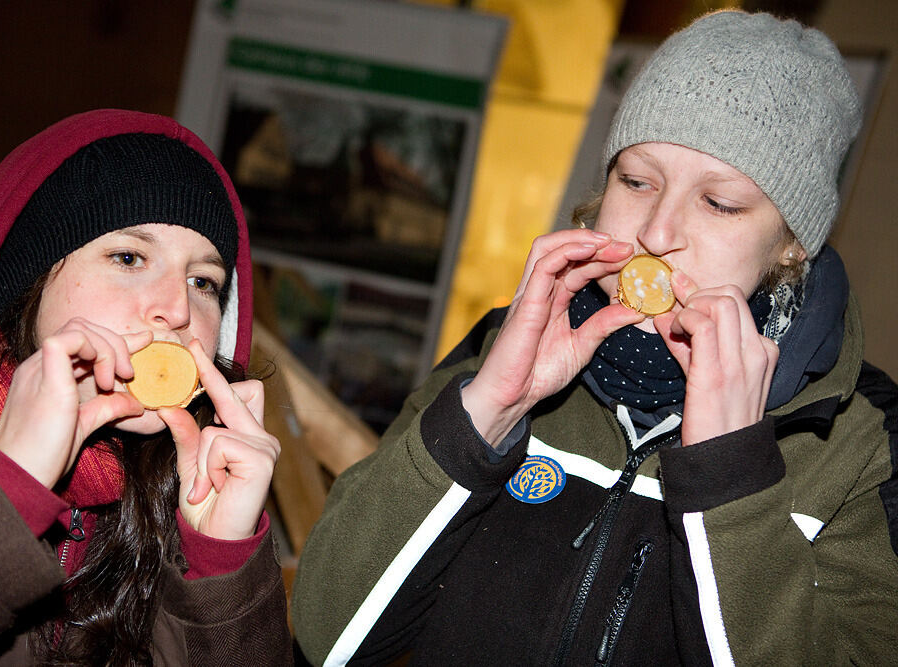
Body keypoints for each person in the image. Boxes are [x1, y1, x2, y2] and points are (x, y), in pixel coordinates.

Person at [291, 10, 898, 665]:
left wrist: (731, 477)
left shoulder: (860, 438)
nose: (658, 231)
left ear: (791, 246)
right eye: (636, 180)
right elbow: (325, 633)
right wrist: (486, 412)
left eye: (718, 202)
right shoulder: (499, 350)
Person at [0, 109, 292, 664]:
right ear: (28, 281)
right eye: (129, 257)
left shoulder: (189, 487)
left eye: (203, 281)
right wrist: (6, 490)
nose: (177, 310)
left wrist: (221, 565)